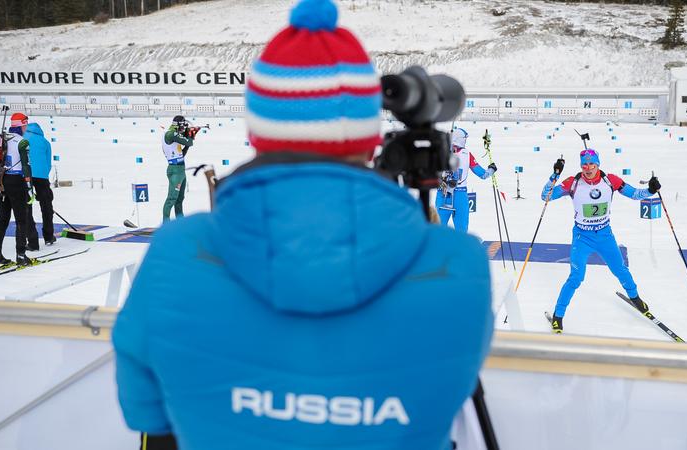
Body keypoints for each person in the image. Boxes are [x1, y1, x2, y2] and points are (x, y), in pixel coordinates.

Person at [113, 1, 495, 449]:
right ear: (369, 138)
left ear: (259, 131)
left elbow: (145, 413)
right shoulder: (455, 263)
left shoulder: (177, 252)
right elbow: (447, 403)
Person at [542, 149, 661, 333]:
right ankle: (558, 316)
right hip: (582, 237)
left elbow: (634, 194)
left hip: (605, 236)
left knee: (620, 269)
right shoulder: (573, 183)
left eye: (592, 164)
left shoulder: (610, 180)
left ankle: (636, 298)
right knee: (576, 277)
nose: (588, 168)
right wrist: (555, 174)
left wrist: (651, 190)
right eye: (584, 165)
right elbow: (546, 196)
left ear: (598, 164)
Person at [0, 112, 35, 266]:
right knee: (21, 220)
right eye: (26, 125)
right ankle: (21, 256)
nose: (26, 128)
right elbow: (26, 167)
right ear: (22, 125)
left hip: (0, 181)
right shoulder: (22, 142)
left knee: (3, 219)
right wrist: (30, 188)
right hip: (16, 182)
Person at [436, 127, 497, 232]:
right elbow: (483, 175)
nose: (465, 141)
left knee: (438, 229)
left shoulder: (442, 151)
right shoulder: (466, 154)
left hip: (444, 194)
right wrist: (491, 170)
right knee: (460, 230)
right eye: (465, 139)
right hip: (458, 195)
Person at [24, 122, 56, 249]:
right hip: (42, 176)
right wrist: (43, 176)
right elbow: (48, 163)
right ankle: (49, 236)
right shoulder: (45, 142)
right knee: (46, 206)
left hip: (26, 175)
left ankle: (32, 241)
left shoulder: (23, 139)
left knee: (27, 207)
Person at [161, 115, 199, 221]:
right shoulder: (170, 134)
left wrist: (189, 138)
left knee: (179, 199)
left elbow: (181, 153)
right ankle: (166, 224)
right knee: (171, 199)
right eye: (183, 126)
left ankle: (180, 223)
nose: (184, 128)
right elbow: (189, 142)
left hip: (181, 170)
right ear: (178, 125)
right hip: (175, 170)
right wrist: (190, 136)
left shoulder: (175, 135)